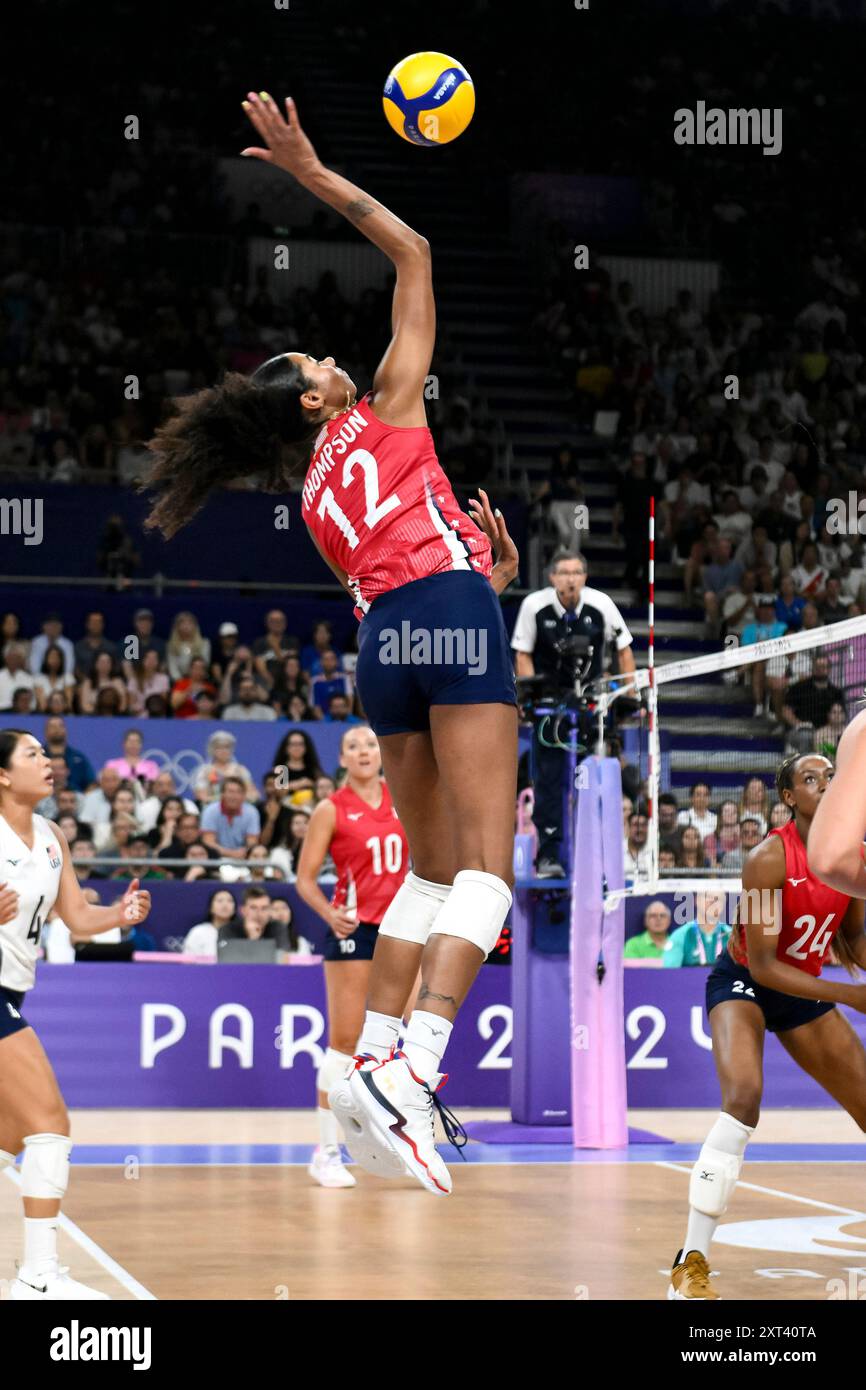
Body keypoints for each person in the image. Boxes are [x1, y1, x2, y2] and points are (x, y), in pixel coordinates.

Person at [140, 91, 519, 1197]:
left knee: (429, 871)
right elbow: (413, 248)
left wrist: (473, 568)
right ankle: (416, 1069)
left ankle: (361, 1063)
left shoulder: (309, 496)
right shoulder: (388, 404)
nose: (330, 358)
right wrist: (307, 170)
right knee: (489, 873)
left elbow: (393, 560)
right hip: (444, 618)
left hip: (385, 641)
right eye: (313, 359)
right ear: (311, 401)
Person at [668, 753, 866, 1300]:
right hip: (748, 985)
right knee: (744, 1098)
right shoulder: (767, 858)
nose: (825, 785)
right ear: (788, 798)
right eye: (810, 779)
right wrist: (850, 995)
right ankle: (690, 1266)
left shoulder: (848, 858)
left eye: (832, 776)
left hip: (801, 987)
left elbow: (851, 939)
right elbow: (763, 965)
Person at [0, 728, 151, 1299]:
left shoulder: (52, 834)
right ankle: (38, 1279)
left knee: (9, 1137)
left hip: (13, 991)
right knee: (50, 1125)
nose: (48, 761)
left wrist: (120, 913)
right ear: (4, 775)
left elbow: (77, 918)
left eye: (47, 752)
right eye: (32, 754)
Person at [295, 725, 412, 1188]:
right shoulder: (330, 809)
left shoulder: (404, 797)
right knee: (344, 1041)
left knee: (402, 1036)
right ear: (342, 758)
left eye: (370, 744)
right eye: (353, 747)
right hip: (354, 930)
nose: (363, 752)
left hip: (403, 927)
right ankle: (326, 1153)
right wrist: (329, 913)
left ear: (382, 753)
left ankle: (391, 1138)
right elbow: (304, 879)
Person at [511, 549, 636, 877]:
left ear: (584, 577)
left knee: (593, 778)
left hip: (591, 707)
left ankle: (597, 859)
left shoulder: (602, 604)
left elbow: (624, 650)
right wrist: (528, 697)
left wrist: (631, 695)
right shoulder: (534, 606)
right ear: (552, 577)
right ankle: (549, 857)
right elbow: (522, 654)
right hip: (549, 707)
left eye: (576, 572)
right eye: (563, 573)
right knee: (549, 782)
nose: (570, 579)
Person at [663, 890, 731, 966]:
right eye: (708, 896)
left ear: (724, 904)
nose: (712, 901)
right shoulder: (680, 935)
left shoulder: (733, 937)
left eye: (718, 899)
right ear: (697, 900)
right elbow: (669, 975)